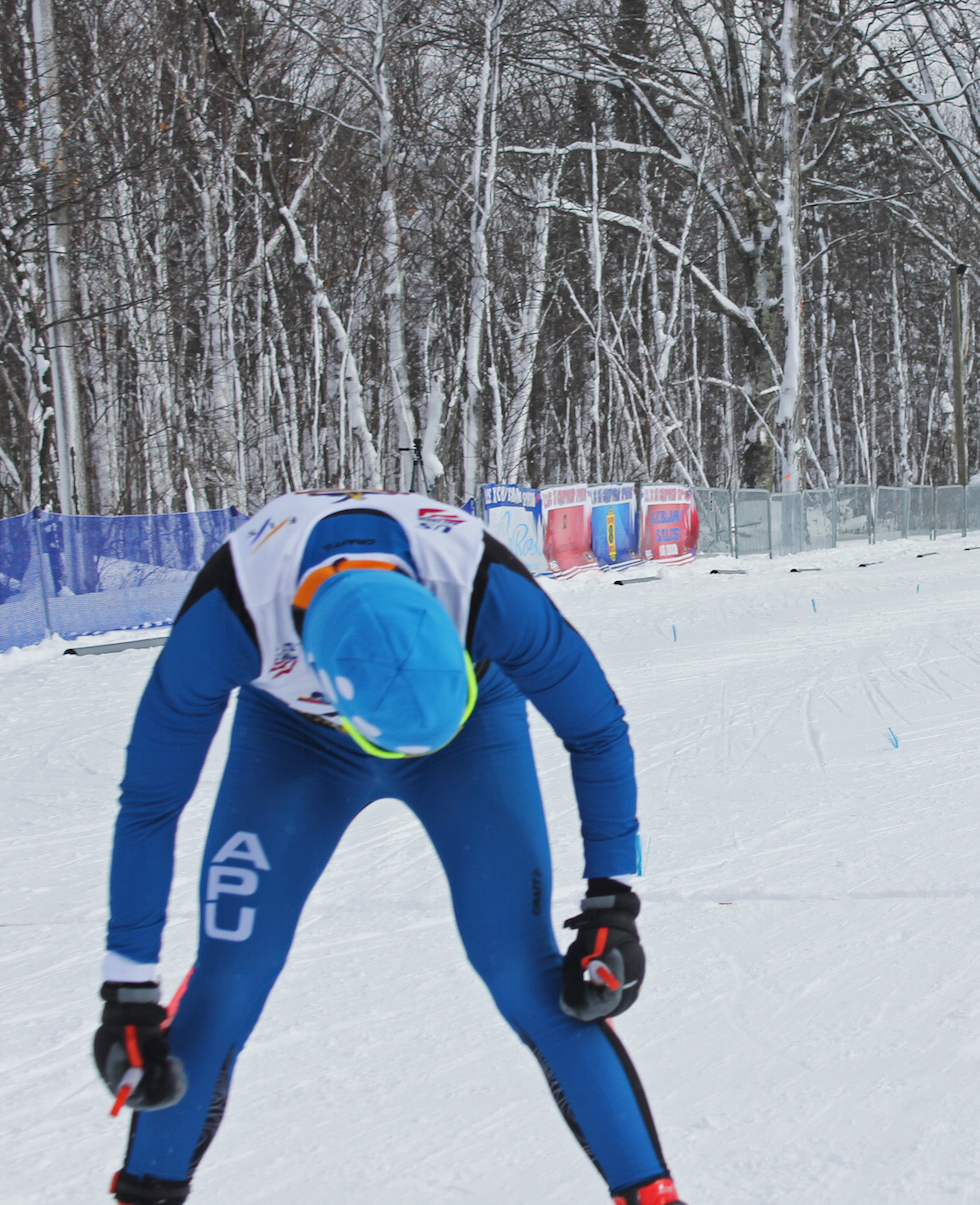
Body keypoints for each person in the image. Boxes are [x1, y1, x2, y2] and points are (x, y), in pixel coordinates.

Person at [92, 490, 684, 1205]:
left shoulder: (486, 585)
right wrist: (126, 986)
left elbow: (597, 729)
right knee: (229, 980)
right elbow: (152, 802)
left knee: (527, 973)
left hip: (473, 728)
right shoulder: (233, 607)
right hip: (297, 739)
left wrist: (613, 902)